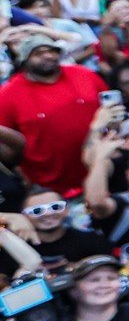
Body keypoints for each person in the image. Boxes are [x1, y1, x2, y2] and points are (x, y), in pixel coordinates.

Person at [0, 27, 107, 196]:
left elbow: (109, 106)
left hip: (103, 174)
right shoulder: (8, 94)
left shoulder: (84, 74)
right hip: (49, 187)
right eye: (38, 53)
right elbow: (7, 146)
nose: (48, 56)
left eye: (52, 51)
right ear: (24, 60)